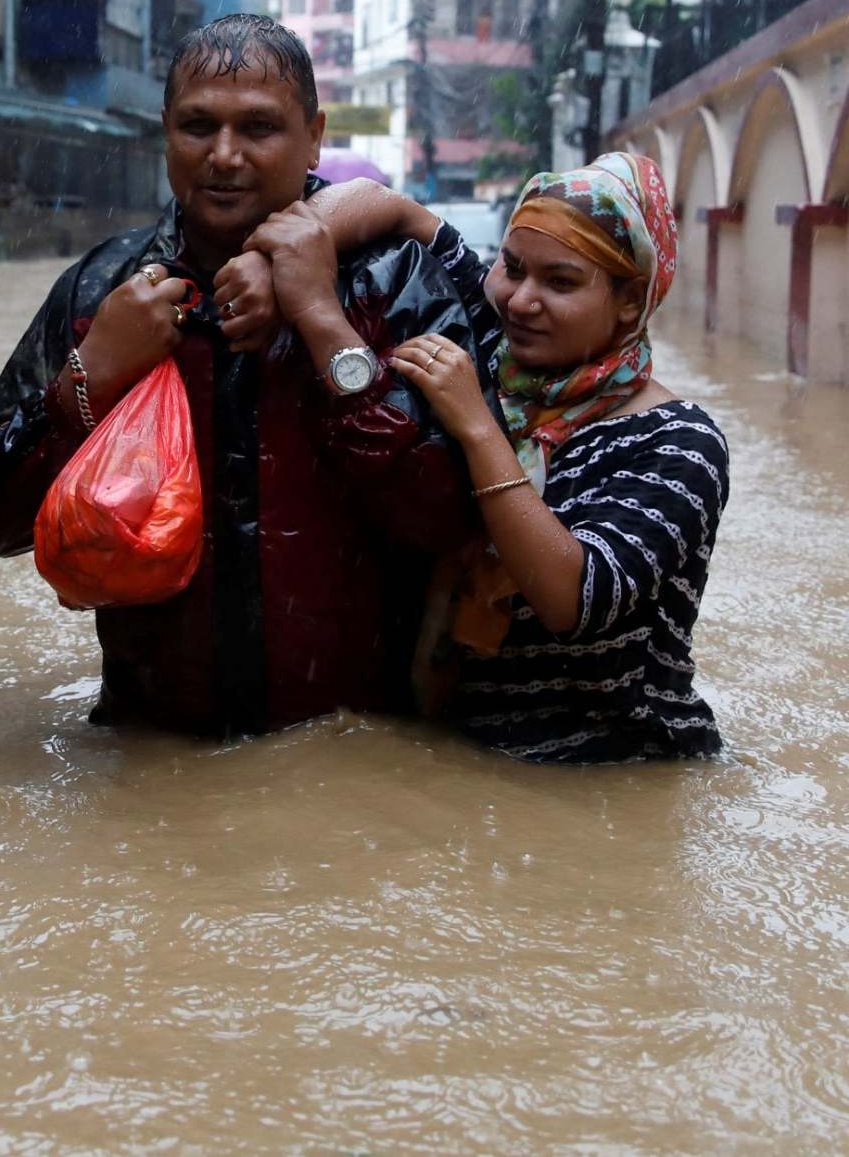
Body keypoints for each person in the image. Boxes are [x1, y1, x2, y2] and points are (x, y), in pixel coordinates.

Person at [0, 15, 481, 738]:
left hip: (354, 757)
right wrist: (90, 377)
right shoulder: (104, 291)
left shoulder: (389, 280)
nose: (223, 156)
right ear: (164, 131)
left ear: (314, 137)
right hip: (148, 749)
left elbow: (452, 515)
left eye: (258, 128)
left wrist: (323, 321)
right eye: (197, 125)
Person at [245, 153, 728, 765]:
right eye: (513, 267)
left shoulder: (676, 440)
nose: (521, 300)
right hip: (463, 753)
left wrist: (475, 427)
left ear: (631, 300)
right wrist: (270, 262)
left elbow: (572, 599)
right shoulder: (490, 335)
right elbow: (384, 204)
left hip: (609, 771)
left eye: (561, 282)